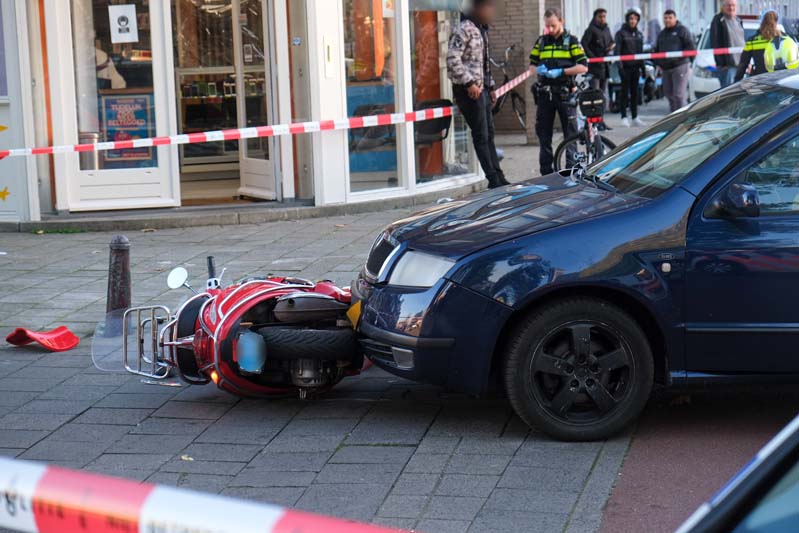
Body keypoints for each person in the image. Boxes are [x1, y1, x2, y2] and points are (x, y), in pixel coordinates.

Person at [446, 0, 508, 189]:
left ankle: (499, 176)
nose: (491, 12)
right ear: (479, 9)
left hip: (482, 90)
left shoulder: (481, 30)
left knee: (489, 134)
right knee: (481, 135)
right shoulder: (464, 29)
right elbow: (452, 58)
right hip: (469, 91)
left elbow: (483, 64)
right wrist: (469, 83)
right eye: (489, 8)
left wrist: (491, 88)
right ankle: (493, 179)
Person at [529, 7, 588, 175]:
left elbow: (583, 66)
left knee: (570, 135)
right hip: (545, 94)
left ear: (561, 21)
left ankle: (571, 171)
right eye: (547, 26)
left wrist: (562, 71)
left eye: (553, 25)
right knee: (544, 136)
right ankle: (546, 173)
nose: (550, 29)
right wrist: (537, 69)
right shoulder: (541, 42)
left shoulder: (571, 41)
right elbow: (532, 65)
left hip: (565, 93)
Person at [655, 10, 694, 112]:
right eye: (665, 18)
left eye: (670, 18)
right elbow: (657, 51)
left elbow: (690, 47)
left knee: (678, 95)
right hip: (666, 68)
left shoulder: (682, 30)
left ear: (675, 18)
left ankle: (683, 118)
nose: (667, 20)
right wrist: (659, 63)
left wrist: (687, 62)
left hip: (680, 66)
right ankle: (673, 116)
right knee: (668, 93)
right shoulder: (662, 34)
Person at [614, 8, 646, 127]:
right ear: (627, 20)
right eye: (631, 19)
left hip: (635, 68)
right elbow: (617, 52)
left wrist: (643, 68)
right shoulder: (621, 34)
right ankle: (624, 117)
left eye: (635, 19)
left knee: (635, 93)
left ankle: (635, 116)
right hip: (625, 68)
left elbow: (641, 52)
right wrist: (620, 67)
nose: (633, 21)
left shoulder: (639, 34)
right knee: (624, 92)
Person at [581, 8, 614, 118]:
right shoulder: (591, 29)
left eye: (604, 16)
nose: (602, 18)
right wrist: (592, 57)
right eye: (600, 16)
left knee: (603, 94)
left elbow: (611, 41)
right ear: (595, 17)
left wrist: (611, 46)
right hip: (595, 66)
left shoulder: (606, 29)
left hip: (605, 65)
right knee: (595, 94)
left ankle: (601, 120)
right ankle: (594, 120)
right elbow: (584, 43)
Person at [736, 10, 781, 81]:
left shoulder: (752, 41)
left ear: (762, 22)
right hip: (778, 79)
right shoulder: (782, 39)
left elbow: (743, 64)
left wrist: (737, 81)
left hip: (760, 79)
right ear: (776, 22)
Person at [710, 0, 744, 88]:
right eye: (728, 5)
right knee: (728, 95)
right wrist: (722, 63)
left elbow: (742, 42)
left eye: (733, 5)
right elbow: (715, 42)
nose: (731, 8)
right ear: (723, 7)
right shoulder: (718, 20)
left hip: (740, 66)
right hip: (727, 67)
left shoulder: (738, 20)